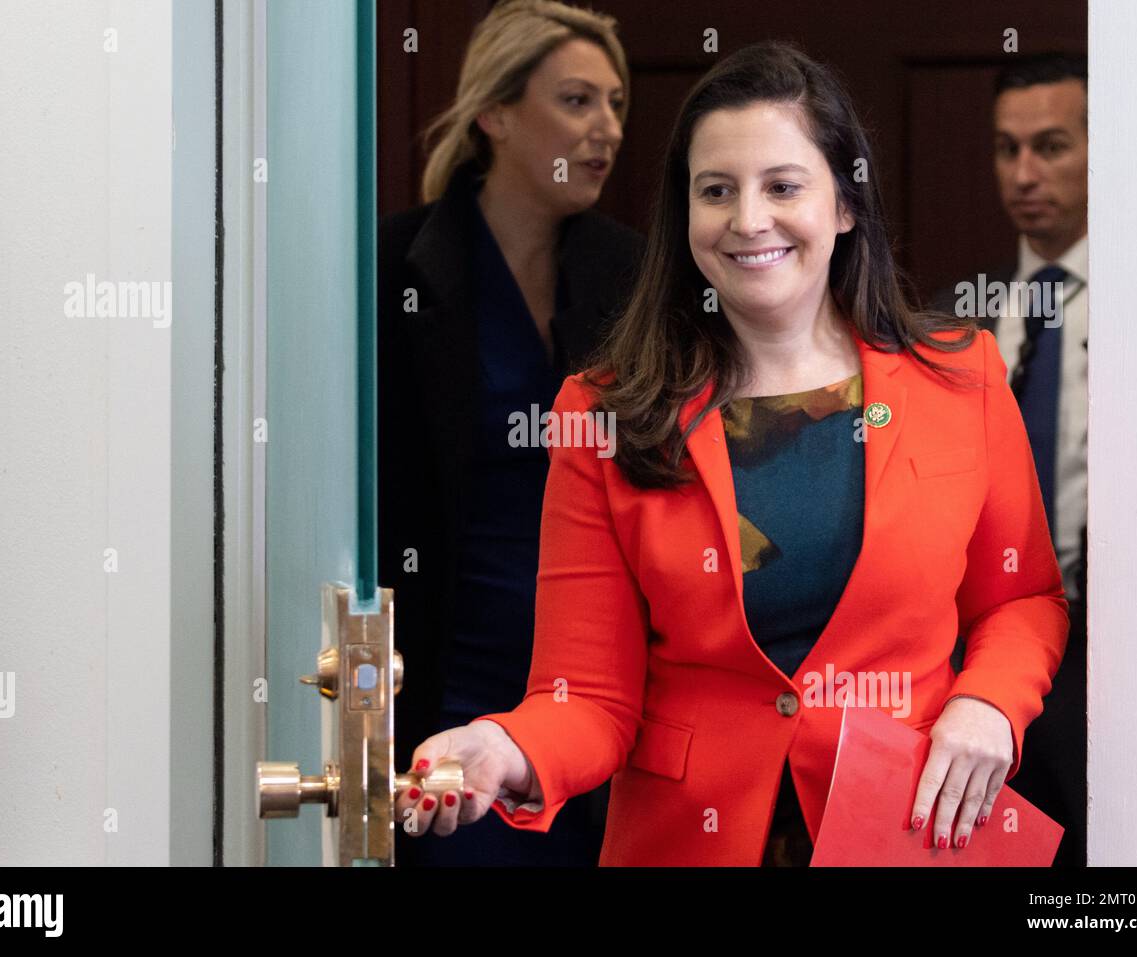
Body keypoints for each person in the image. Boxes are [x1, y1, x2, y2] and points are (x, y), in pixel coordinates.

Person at [394, 39, 1069, 866]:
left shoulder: (961, 376)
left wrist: (989, 704)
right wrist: (504, 746)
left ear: (845, 205)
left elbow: (1023, 599)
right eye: (716, 190)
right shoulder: (604, 413)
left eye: (783, 185)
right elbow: (590, 696)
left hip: (907, 834)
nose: (749, 219)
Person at [377, 0, 643, 866]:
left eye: (615, 103)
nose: (605, 128)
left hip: (601, 689)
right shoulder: (393, 265)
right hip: (451, 675)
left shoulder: (631, 275)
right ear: (494, 112)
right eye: (576, 101)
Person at [931, 53, 1087, 866]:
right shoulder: (962, 325)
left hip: (1119, 658)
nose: (1024, 173)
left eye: (1051, 146)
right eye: (1006, 149)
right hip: (981, 672)